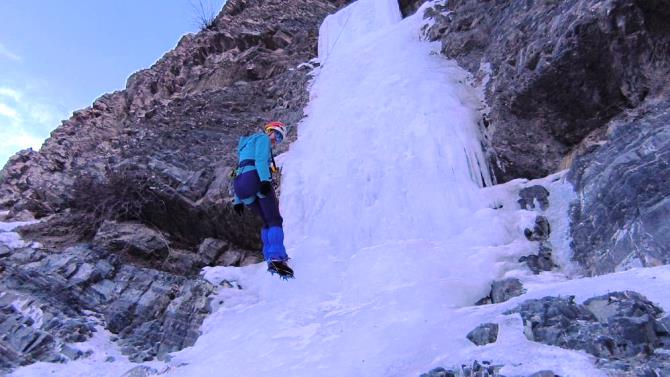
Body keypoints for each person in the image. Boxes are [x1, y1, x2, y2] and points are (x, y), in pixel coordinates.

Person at [232, 121, 294, 279]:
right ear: (270, 130)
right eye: (276, 134)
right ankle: (277, 259)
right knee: (275, 220)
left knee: (266, 222)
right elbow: (260, 160)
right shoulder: (262, 139)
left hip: (241, 186)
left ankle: (269, 259)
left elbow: (238, 170)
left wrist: (237, 201)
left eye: (279, 139)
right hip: (255, 178)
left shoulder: (245, 145)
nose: (276, 140)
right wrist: (265, 180)